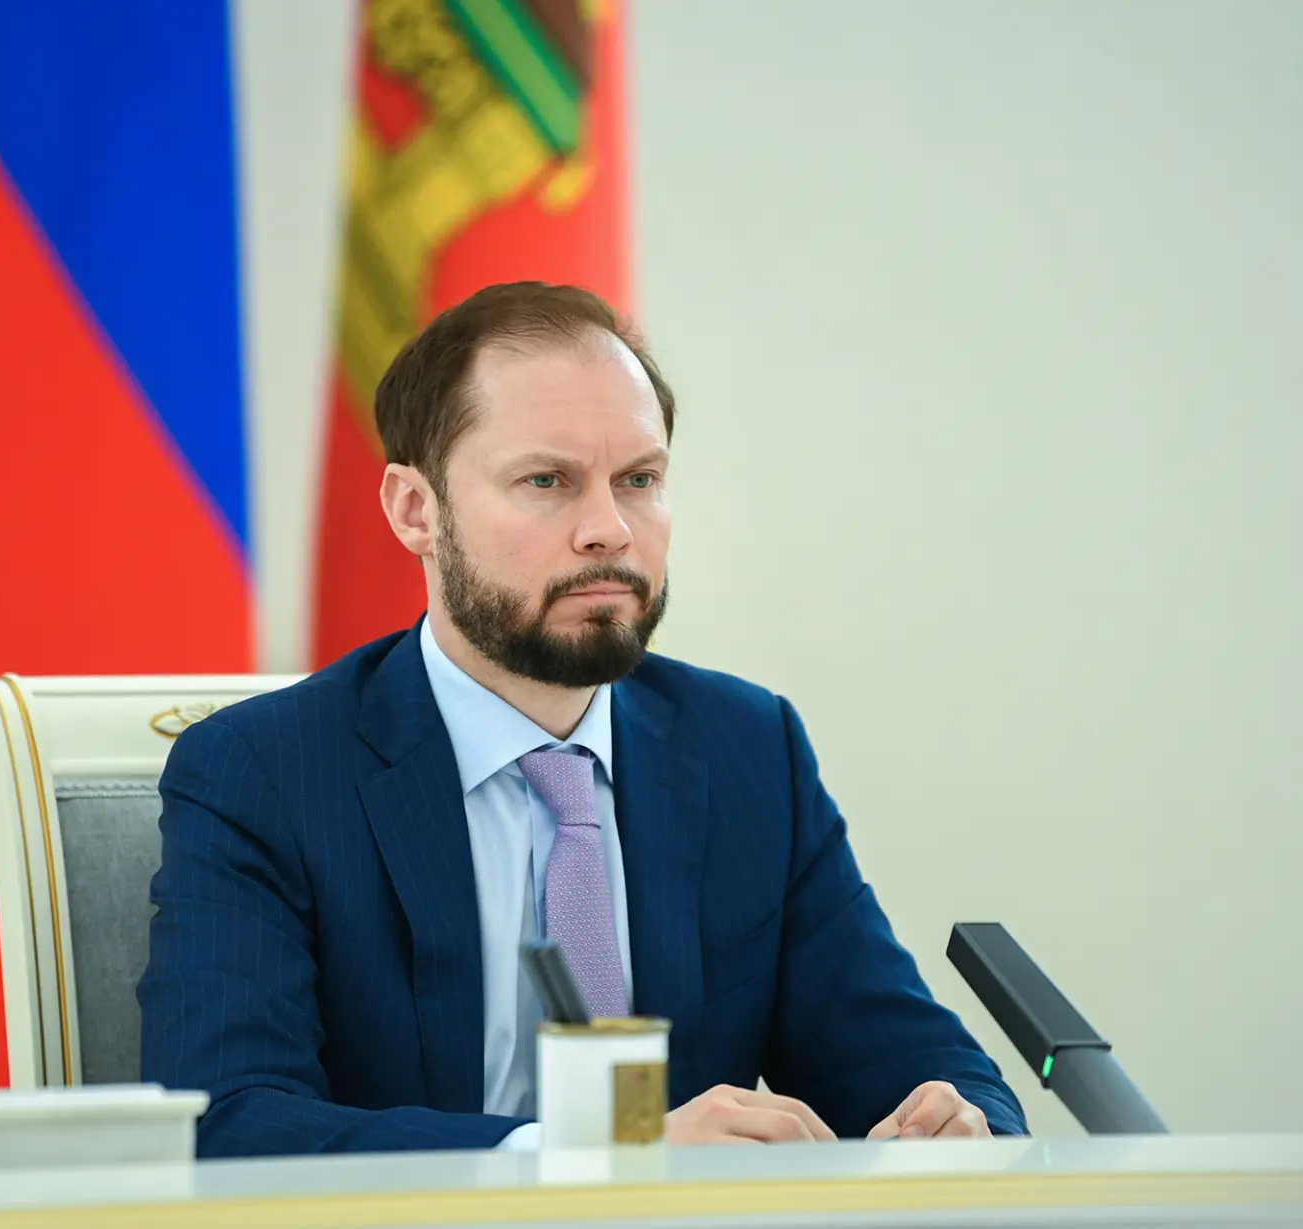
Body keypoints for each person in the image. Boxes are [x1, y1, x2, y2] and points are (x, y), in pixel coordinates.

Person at [139, 282, 1025, 1154]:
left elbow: (911, 1060)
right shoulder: (264, 772)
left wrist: (958, 1119)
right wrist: (580, 1158)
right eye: (546, 480)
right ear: (415, 510)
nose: (609, 529)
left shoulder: (748, 750)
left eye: (639, 479)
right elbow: (228, 1119)